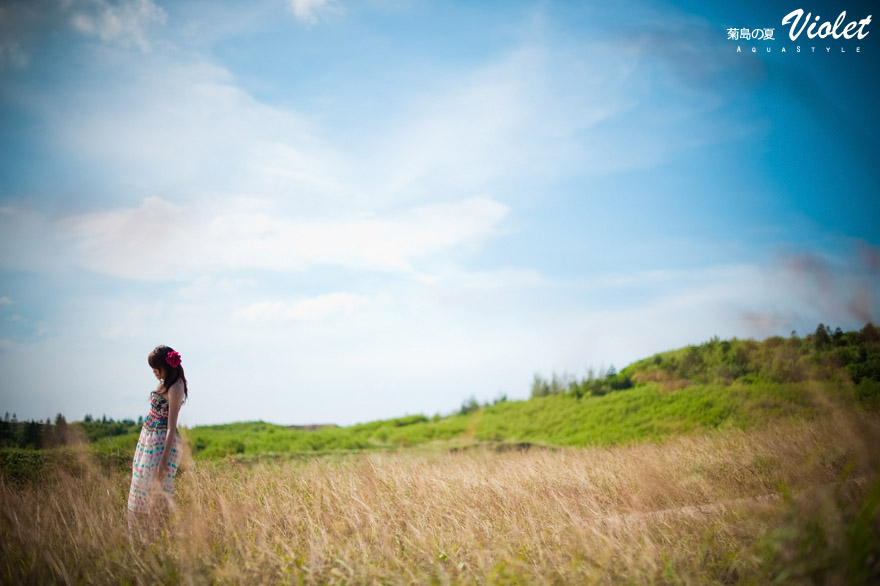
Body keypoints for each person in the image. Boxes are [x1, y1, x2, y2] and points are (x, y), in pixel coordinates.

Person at [127, 345, 188, 533]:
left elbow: (171, 426)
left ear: (166, 366)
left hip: (162, 443)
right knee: (140, 486)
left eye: (156, 368)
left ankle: (157, 535)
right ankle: (140, 535)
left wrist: (163, 461)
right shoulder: (165, 383)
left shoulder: (175, 387)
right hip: (149, 440)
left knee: (155, 491)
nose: (154, 372)